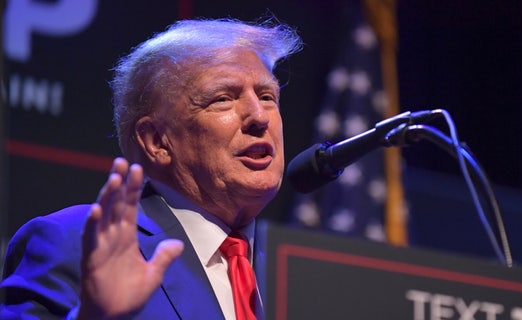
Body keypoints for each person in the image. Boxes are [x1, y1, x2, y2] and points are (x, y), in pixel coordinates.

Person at [0, 18, 302, 319]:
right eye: (222, 99)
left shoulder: (293, 273)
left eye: (267, 96)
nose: (260, 116)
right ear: (157, 141)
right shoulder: (73, 243)